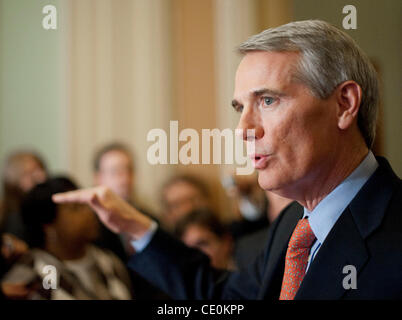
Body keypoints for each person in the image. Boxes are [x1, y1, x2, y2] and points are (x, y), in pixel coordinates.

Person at [52, 20, 402, 299]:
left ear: (344, 105)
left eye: (267, 101)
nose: (243, 129)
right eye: (240, 108)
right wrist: (135, 226)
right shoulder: (294, 226)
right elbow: (223, 297)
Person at [2, 177, 132, 300]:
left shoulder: (109, 262)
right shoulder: (28, 276)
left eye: (87, 204)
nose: (89, 212)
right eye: (76, 208)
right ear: (49, 226)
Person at [0, 150, 48, 240]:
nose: (41, 177)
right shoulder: (15, 220)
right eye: (30, 173)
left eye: (41, 169)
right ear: (14, 179)